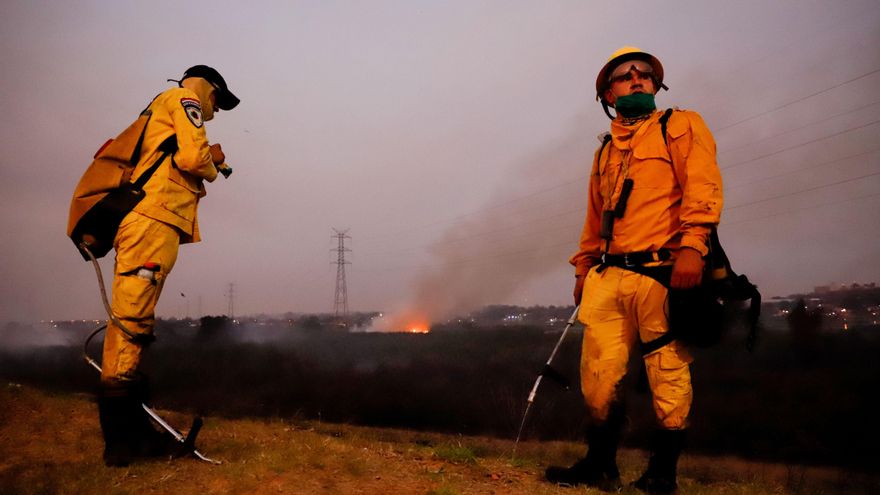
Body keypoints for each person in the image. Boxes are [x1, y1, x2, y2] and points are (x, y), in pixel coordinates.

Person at [544, 47, 723, 493]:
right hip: (608, 276)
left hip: (662, 271)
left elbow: (702, 186)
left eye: (645, 74)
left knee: (668, 371)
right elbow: (593, 217)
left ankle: (663, 474)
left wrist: (693, 248)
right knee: (598, 375)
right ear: (609, 92)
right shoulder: (604, 151)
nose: (637, 79)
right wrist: (583, 270)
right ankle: (600, 465)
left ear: (656, 85)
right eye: (625, 76)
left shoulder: (680, 125)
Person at [96, 65, 239, 466]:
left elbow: (178, 157)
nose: (216, 109)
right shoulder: (185, 99)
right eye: (218, 100)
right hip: (153, 220)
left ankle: (128, 437)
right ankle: (125, 443)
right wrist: (213, 164)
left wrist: (205, 160)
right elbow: (193, 158)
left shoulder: (163, 108)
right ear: (208, 88)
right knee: (132, 323)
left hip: (151, 221)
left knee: (131, 321)